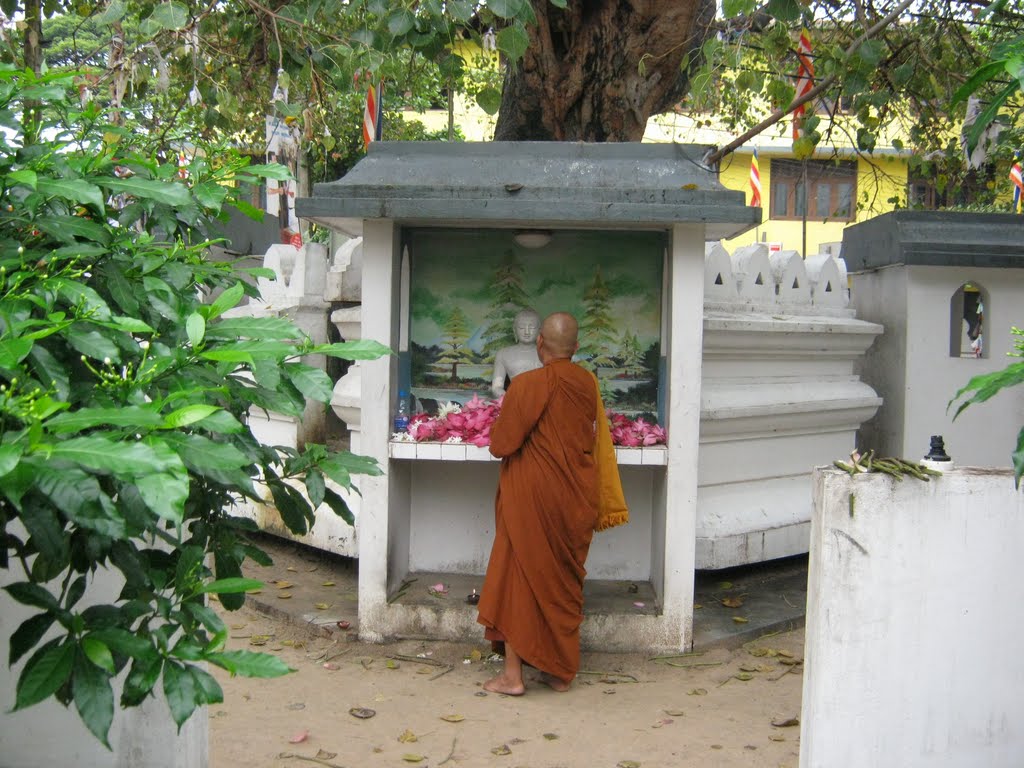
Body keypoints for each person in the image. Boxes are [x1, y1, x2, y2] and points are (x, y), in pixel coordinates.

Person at [477, 312, 628, 696]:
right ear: (576, 349)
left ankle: (513, 677)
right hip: (576, 495)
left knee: (519, 578)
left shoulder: (527, 385)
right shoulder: (587, 383)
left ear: (540, 344)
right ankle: (560, 672)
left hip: (531, 498)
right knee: (562, 581)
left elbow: (501, 445)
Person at [490, 308, 542, 398]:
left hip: (541, 401)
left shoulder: (547, 354)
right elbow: (496, 387)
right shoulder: (503, 354)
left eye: (532, 327)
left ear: (539, 330)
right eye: (522, 327)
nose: (527, 332)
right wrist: (511, 400)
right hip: (514, 400)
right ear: (514, 330)